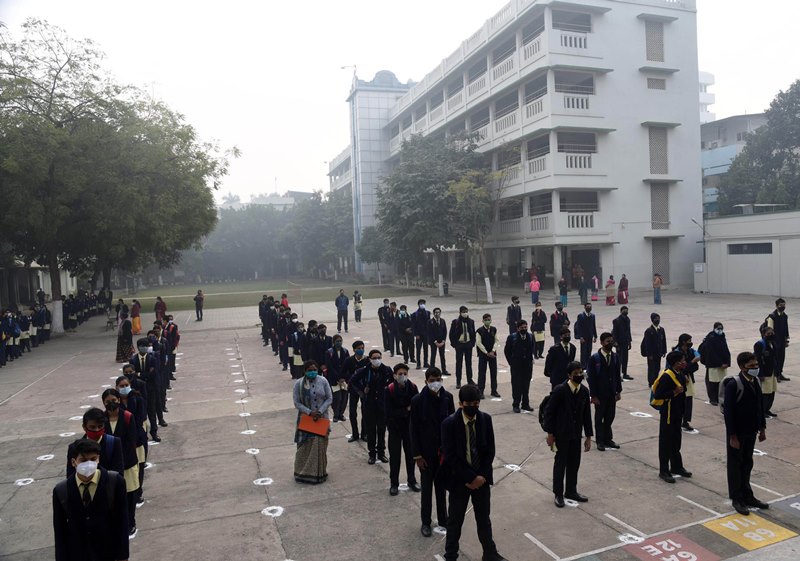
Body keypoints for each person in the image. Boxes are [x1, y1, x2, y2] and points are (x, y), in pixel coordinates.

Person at [440, 385, 507, 561]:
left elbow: (489, 451)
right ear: (460, 404)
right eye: (469, 403)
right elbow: (450, 456)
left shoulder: (485, 419)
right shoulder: (449, 424)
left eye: (476, 403)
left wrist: (482, 476)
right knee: (455, 520)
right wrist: (470, 477)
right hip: (459, 480)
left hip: (481, 479)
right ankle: (451, 555)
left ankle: (489, 553)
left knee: (484, 519)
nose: (473, 406)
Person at [53, 439, 129, 561]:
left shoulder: (114, 482)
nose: (89, 464)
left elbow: (122, 521)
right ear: (73, 462)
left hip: (108, 553)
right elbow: (60, 531)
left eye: (93, 459)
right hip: (78, 554)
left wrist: (123, 556)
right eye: (83, 460)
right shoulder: (61, 490)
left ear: (98, 459)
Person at [410, 367, 455, 537]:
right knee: (427, 490)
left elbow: (452, 425)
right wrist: (417, 455)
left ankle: (443, 519)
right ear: (426, 381)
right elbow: (413, 429)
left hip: (443, 453)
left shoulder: (448, 398)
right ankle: (426, 522)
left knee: (442, 488)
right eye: (432, 380)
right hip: (426, 454)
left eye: (438, 379)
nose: (435, 383)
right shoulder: (417, 401)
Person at [724, 352, 769, 515]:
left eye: (756, 365)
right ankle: (737, 498)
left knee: (747, 463)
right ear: (742, 367)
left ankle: (748, 495)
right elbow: (729, 413)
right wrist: (733, 436)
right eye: (751, 366)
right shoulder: (733, 385)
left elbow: (759, 406)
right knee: (735, 465)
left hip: (751, 431)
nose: (755, 368)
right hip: (738, 433)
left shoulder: (755, 381)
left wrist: (762, 428)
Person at [544, 361, 593, 507]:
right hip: (561, 434)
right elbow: (549, 412)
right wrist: (550, 434)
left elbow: (587, 415)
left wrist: (588, 436)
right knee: (561, 463)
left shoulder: (584, 391)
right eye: (576, 374)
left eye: (580, 373)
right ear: (569, 375)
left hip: (576, 434)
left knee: (574, 463)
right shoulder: (560, 390)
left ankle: (571, 490)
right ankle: (558, 493)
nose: (579, 376)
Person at [101, 389, 140, 536]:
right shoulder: (101, 420)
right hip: (108, 465)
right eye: (107, 401)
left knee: (129, 494)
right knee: (113, 496)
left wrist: (121, 462)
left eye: (113, 400)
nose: (111, 403)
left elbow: (131, 442)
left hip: (128, 463)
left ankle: (131, 522)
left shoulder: (128, 417)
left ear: (118, 400)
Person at [650, 351, 692, 483]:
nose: (684, 362)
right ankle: (664, 470)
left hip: (677, 413)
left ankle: (676, 466)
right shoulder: (667, 376)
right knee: (665, 443)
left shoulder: (680, 374)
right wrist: (674, 392)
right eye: (682, 360)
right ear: (675, 363)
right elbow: (658, 395)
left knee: (676, 441)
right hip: (668, 414)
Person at [293, 360, 333, 484]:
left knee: (320, 446)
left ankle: (319, 473)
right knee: (304, 448)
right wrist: (310, 412)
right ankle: (303, 473)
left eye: (314, 370)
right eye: (310, 370)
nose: (312, 372)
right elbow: (297, 402)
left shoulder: (323, 381)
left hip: (322, 419)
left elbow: (329, 398)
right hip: (306, 420)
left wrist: (320, 411)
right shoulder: (299, 384)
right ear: (305, 371)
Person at [350, 350, 392, 464]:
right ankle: (372, 454)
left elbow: (392, 384)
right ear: (369, 359)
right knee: (371, 430)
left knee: (382, 430)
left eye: (379, 357)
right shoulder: (364, 370)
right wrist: (362, 390)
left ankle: (381, 453)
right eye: (374, 358)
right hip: (369, 404)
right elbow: (352, 381)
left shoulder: (387, 370)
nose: (377, 360)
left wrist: (387, 392)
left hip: (382, 405)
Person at [384, 363, 420, 496]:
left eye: (405, 374)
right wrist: (405, 410)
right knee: (395, 457)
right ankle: (394, 483)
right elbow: (388, 412)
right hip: (395, 428)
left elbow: (416, 408)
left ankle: (412, 480)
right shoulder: (390, 389)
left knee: (411, 456)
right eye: (400, 374)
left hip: (409, 428)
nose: (403, 376)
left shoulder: (413, 388)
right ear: (395, 375)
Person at [587, 333, 622, 451]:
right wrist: (593, 395)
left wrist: (618, 391)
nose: (610, 344)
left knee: (610, 416)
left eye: (611, 341)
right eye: (608, 341)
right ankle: (600, 441)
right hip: (600, 394)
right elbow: (591, 378)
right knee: (599, 417)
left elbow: (617, 375)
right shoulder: (595, 358)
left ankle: (608, 439)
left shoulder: (615, 357)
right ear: (601, 342)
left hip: (611, 393)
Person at [66, 408, 124, 477]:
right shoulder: (74, 448)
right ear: (84, 427)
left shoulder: (113, 443)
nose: (97, 430)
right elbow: (70, 476)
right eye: (92, 427)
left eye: (100, 426)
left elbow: (118, 472)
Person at [505, 319, 535, 413]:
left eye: (525, 327)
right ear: (518, 328)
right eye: (522, 328)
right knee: (516, 385)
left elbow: (532, 349)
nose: (524, 329)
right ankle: (516, 404)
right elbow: (507, 351)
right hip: (516, 366)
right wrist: (512, 363)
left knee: (526, 385)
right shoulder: (512, 338)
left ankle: (525, 404)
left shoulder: (530, 336)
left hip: (527, 366)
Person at [673, 333, 701, 433]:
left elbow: (697, 360)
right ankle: (677, 420)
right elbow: (677, 367)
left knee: (688, 400)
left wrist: (690, 364)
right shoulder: (677, 352)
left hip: (689, 377)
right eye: (689, 341)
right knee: (679, 400)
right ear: (683, 342)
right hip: (680, 378)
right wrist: (690, 364)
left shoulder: (690, 351)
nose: (690, 343)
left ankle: (685, 421)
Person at [699, 322, 731, 406]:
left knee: (721, 381)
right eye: (718, 328)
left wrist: (727, 362)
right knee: (712, 383)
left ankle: (718, 398)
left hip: (723, 364)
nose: (720, 330)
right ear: (714, 328)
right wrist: (720, 363)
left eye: (721, 328)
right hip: (713, 364)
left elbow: (725, 349)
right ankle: (713, 399)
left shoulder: (722, 336)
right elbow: (711, 353)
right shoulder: (711, 338)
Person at [343, 340, 369, 442]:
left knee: (365, 412)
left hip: (364, 390)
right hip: (353, 390)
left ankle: (364, 434)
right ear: (354, 350)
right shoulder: (349, 361)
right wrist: (350, 378)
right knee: (353, 412)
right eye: (359, 348)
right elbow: (343, 373)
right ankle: (355, 434)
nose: (361, 350)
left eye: (362, 348)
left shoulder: (367, 360)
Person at [449, 306, 476, 389]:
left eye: (466, 311)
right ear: (460, 313)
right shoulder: (456, 322)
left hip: (468, 345)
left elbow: (473, 333)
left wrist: (472, 343)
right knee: (459, 363)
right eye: (464, 312)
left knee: (469, 363)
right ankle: (458, 381)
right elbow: (451, 334)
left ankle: (469, 379)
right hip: (459, 345)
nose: (465, 313)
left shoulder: (471, 321)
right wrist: (454, 344)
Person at [754, 325, 778, 418]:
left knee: (771, 391)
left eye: (772, 333)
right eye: (769, 334)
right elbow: (758, 360)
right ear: (764, 334)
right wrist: (760, 374)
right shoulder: (759, 344)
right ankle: (762, 411)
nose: (771, 335)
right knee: (765, 393)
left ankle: (767, 409)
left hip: (772, 372)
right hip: (765, 372)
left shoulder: (772, 343)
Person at [325, 334, 350, 422]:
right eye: (337, 341)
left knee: (344, 398)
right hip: (334, 379)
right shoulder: (329, 352)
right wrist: (338, 377)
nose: (339, 343)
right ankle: (335, 414)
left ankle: (341, 414)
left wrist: (344, 377)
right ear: (333, 342)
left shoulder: (345, 351)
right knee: (337, 398)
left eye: (340, 341)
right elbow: (330, 367)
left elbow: (348, 365)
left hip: (344, 379)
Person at [475, 314, 500, 399]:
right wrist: (486, 352)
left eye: (489, 319)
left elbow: (497, 340)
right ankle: (480, 391)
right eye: (486, 320)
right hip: (483, 354)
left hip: (492, 354)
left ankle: (494, 390)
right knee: (482, 373)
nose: (487, 321)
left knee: (494, 372)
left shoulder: (494, 329)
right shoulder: (479, 331)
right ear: (483, 321)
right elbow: (478, 343)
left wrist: (493, 351)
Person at [767, 298, 790, 382]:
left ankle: (780, 373)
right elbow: (769, 330)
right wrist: (770, 342)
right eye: (781, 305)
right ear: (776, 306)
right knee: (775, 358)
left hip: (781, 341)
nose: (783, 307)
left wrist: (786, 340)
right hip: (774, 341)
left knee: (781, 357)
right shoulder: (772, 317)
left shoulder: (785, 316)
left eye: (784, 305)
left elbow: (786, 328)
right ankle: (776, 375)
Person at [641, 313, 667, 386]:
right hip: (652, 354)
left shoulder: (661, 329)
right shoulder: (648, 331)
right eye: (655, 319)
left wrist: (664, 351)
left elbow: (663, 341)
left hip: (659, 353)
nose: (657, 320)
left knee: (657, 368)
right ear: (652, 320)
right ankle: (651, 382)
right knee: (651, 368)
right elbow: (647, 344)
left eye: (658, 318)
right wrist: (649, 354)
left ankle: (655, 380)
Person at [612, 306, 633, 381]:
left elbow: (628, 331)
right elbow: (614, 332)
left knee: (625, 359)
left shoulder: (627, 319)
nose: (625, 311)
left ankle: (624, 373)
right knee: (619, 360)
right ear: (621, 311)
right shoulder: (616, 320)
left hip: (625, 342)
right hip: (619, 343)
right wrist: (615, 343)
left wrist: (629, 341)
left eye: (626, 310)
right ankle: (618, 375)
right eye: (624, 310)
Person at [574, 303, 597, 369]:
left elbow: (593, 326)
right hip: (583, 337)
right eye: (587, 306)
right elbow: (579, 327)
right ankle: (583, 365)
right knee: (583, 352)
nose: (589, 308)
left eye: (590, 307)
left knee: (589, 351)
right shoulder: (580, 316)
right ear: (584, 307)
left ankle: (588, 365)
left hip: (590, 336)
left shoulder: (593, 316)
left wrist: (595, 336)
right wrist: (580, 337)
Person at [428, 307, 449, 376]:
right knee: (433, 356)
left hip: (441, 342)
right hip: (434, 342)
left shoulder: (442, 321)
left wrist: (443, 341)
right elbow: (430, 333)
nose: (437, 314)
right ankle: (432, 371)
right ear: (433, 313)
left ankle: (444, 370)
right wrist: (435, 342)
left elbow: (445, 331)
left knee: (442, 356)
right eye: (436, 312)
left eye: (438, 312)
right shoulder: (430, 322)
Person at [411, 299, 431, 369]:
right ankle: (418, 364)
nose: (422, 304)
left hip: (426, 334)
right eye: (421, 303)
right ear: (418, 305)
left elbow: (429, 324)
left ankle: (425, 363)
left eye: (423, 303)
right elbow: (413, 325)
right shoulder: (414, 314)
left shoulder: (428, 313)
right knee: (418, 349)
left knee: (426, 349)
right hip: (419, 335)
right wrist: (416, 334)